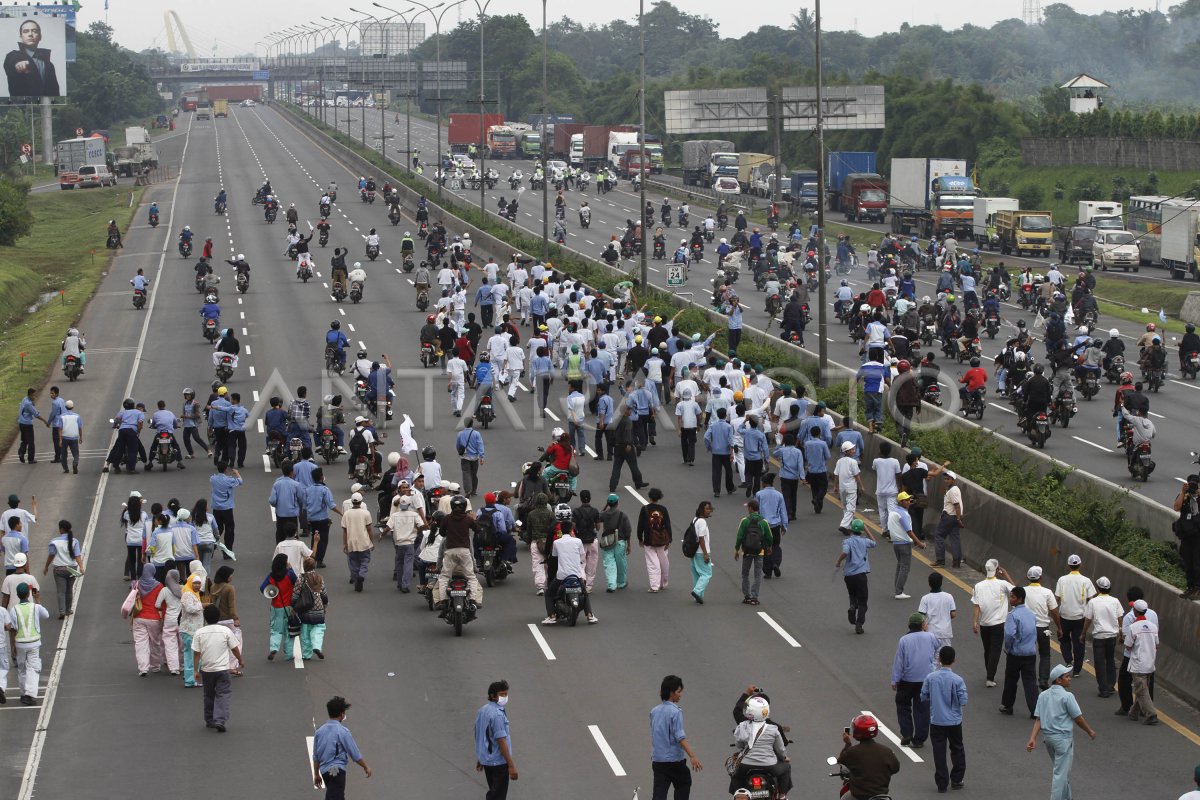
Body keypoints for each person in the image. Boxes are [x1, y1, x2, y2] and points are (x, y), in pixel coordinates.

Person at [1026, 664, 1096, 799]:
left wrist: (1032, 738)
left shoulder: (1043, 695)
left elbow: (1038, 720)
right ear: (1058, 680)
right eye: (1067, 676)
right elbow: (1078, 718)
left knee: (1062, 771)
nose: (1070, 678)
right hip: (1063, 741)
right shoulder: (1067, 696)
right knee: (1060, 775)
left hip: (1049, 740)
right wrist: (1090, 731)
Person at [921, 646, 968, 792]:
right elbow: (963, 700)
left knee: (939, 751)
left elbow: (923, 696)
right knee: (957, 748)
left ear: (939, 659)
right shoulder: (958, 680)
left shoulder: (931, 677)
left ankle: (942, 783)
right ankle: (957, 779)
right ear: (954, 660)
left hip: (937, 721)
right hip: (954, 721)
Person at [650, 675, 702, 800]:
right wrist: (692, 756)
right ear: (672, 693)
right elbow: (680, 736)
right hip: (674, 761)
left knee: (659, 792)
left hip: (657, 760)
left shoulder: (654, 711)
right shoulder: (675, 712)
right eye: (679, 692)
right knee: (684, 782)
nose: (680, 695)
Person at [729, 696, 792, 797]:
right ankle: (782, 796)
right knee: (786, 768)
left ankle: (740, 795)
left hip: (745, 765)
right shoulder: (773, 729)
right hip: (770, 766)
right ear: (766, 711)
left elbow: (739, 745)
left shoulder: (742, 726)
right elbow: (780, 749)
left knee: (734, 773)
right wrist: (785, 757)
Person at [193, 604, 243, 731]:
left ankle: (209, 719)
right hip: (222, 670)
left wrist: (195, 670)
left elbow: (197, 653)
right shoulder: (225, 631)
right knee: (223, 694)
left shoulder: (199, 632)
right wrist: (240, 660)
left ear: (205, 618)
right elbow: (234, 649)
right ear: (218, 617)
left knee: (208, 695)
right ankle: (220, 720)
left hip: (207, 670)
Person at [313, 696, 372, 797]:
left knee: (336, 795)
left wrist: (316, 774)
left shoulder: (319, 732)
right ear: (341, 714)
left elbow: (316, 756)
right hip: (336, 771)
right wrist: (366, 767)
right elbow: (354, 753)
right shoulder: (343, 732)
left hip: (325, 772)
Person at [971, 559, 1014, 687]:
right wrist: (1005, 575)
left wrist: (975, 621)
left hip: (984, 624)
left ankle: (989, 673)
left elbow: (976, 605)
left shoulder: (978, 586)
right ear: (997, 569)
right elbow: (1017, 591)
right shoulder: (1002, 583)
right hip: (999, 623)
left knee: (987, 650)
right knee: (995, 650)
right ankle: (990, 677)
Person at [838, 713, 900, 800]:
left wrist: (848, 743)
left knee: (844, 798)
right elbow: (895, 768)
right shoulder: (887, 751)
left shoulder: (853, 752)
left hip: (859, 796)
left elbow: (841, 760)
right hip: (882, 796)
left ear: (857, 732)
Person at [1000, 586, 1040, 718]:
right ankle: (1035, 710)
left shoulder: (1013, 615)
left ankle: (1008, 705)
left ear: (1019, 599)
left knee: (1011, 680)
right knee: (1030, 682)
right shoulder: (1031, 614)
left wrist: (1008, 647)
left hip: (1016, 654)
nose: (1010, 599)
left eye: (1012, 597)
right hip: (1030, 653)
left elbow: (1009, 635)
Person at [1054, 554, 1096, 677]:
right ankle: (1077, 670)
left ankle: (1068, 660)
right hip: (1080, 617)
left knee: (1064, 639)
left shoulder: (1062, 580)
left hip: (1064, 615)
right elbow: (1091, 599)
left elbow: (1057, 598)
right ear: (1080, 565)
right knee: (1079, 642)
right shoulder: (1086, 580)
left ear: (1068, 565)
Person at [475, 680, 518, 799]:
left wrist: (481, 757)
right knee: (497, 796)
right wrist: (511, 765)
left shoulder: (482, 710)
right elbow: (501, 741)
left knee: (493, 792)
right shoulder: (497, 715)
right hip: (498, 762)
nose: (504, 697)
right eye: (501, 694)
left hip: (487, 761)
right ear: (492, 696)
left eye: (506, 694)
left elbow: (479, 734)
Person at [1082, 576, 1122, 698]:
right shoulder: (1115, 601)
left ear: (1098, 588)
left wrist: (1083, 633)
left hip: (1099, 636)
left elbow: (1088, 619)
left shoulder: (1093, 602)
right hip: (1112, 636)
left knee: (1099, 663)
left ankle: (1103, 689)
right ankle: (1110, 686)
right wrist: (1121, 633)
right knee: (1110, 660)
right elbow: (1120, 618)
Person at [837, 519, 876, 634]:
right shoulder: (865, 541)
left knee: (852, 595)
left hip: (849, 575)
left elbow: (845, 552)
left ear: (851, 530)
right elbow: (874, 542)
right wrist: (867, 530)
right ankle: (859, 624)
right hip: (861, 575)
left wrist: (839, 561)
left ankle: (853, 606)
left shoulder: (847, 541)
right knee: (863, 601)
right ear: (861, 531)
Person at [4, 19, 60, 96]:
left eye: (34, 31)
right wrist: (18, 64)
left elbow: (54, 90)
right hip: (22, 104)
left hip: (45, 103)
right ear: (21, 37)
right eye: (26, 31)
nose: (30, 34)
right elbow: (11, 61)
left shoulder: (49, 65)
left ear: (40, 36)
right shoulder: (13, 55)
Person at [1125, 598, 1159, 724]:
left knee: (1141, 690)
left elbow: (1128, 646)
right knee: (1142, 689)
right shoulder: (1153, 626)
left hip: (1138, 664)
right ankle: (1134, 712)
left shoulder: (1133, 627)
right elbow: (1157, 645)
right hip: (1150, 663)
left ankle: (1151, 715)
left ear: (1135, 611)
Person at [734, 499, 772, 606]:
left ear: (750, 508)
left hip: (747, 551)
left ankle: (747, 596)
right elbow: (769, 537)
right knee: (758, 574)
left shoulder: (745, 521)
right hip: (759, 551)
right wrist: (769, 547)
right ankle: (755, 597)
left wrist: (736, 549)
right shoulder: (764, 522)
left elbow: (740, 536)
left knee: (745, 573)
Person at [43, 520, 83, 619]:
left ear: (61, 529)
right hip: (71, 569)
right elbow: (77, 555)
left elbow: (51, 555)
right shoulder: (75, 541)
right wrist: (81, 567)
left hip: (59, 569)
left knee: (61, 591)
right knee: (69, 590)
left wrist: (46, 566)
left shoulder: (54, 541)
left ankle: (62, 611)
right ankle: (68, 610)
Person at [260, 554, 297, 661]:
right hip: (289, 606)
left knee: (275, 629)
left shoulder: (271, 576)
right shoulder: (289, 574)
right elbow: (297, 582)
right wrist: (291, 569)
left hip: (276, 606)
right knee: (289, 631)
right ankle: (289, 654)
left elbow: (262, 588)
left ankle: (274, 647)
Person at [599, 494, 632, 593]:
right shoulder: (623, 515)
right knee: (621, 563)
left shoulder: (604, 514)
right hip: (620, 542)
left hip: (607, 542)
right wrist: (629, 545)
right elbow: (628, 531)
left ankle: (611, 584)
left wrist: (606, 506)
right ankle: (621, 583)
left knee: (609, 563)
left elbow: (599, 516)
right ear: (617, 503)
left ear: (608, 504)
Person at [932, 471, 964, 568]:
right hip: (954, 517)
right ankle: (956, 562)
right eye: (945, 479)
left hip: (949, 517)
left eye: (948, 479)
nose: (946, 481)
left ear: (953, 480)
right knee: (955, 539)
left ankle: (940, 560)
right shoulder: (953, 489)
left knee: (939, 535)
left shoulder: (952, 491)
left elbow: (957, 506)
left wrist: (958, 519)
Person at [919, 572, 957, 648]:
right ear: (941, 583)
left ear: (929, 583)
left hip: (931, 632)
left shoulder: (925, 598)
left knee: (931, 656)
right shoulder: (949, 596)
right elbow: (953, 614)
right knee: (945, 657)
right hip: (945, 632)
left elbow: (921, 617)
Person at [834, 441, 864, 535]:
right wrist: (861, 486)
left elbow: (836, 475)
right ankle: (843, 525)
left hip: (842, 488)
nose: (854, 451)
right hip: (851, 488)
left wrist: (835, 486)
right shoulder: (853, 462)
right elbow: (857, 475)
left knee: (845, 507)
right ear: (846, 451)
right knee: (851, 508)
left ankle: (848, 527)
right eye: (852, 449)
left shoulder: (839, 461)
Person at [689, 501, 713, 604]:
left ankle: (698, 596)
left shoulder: (695, 519)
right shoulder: (702, 522)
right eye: (707, 509)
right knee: (707, 574)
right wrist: (705, 553)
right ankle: (696, 591)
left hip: (693, 551)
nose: (709, 511)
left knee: (696, 574)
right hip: (700, 552)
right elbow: (701, 538)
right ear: (701, 510)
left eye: (710, 509)